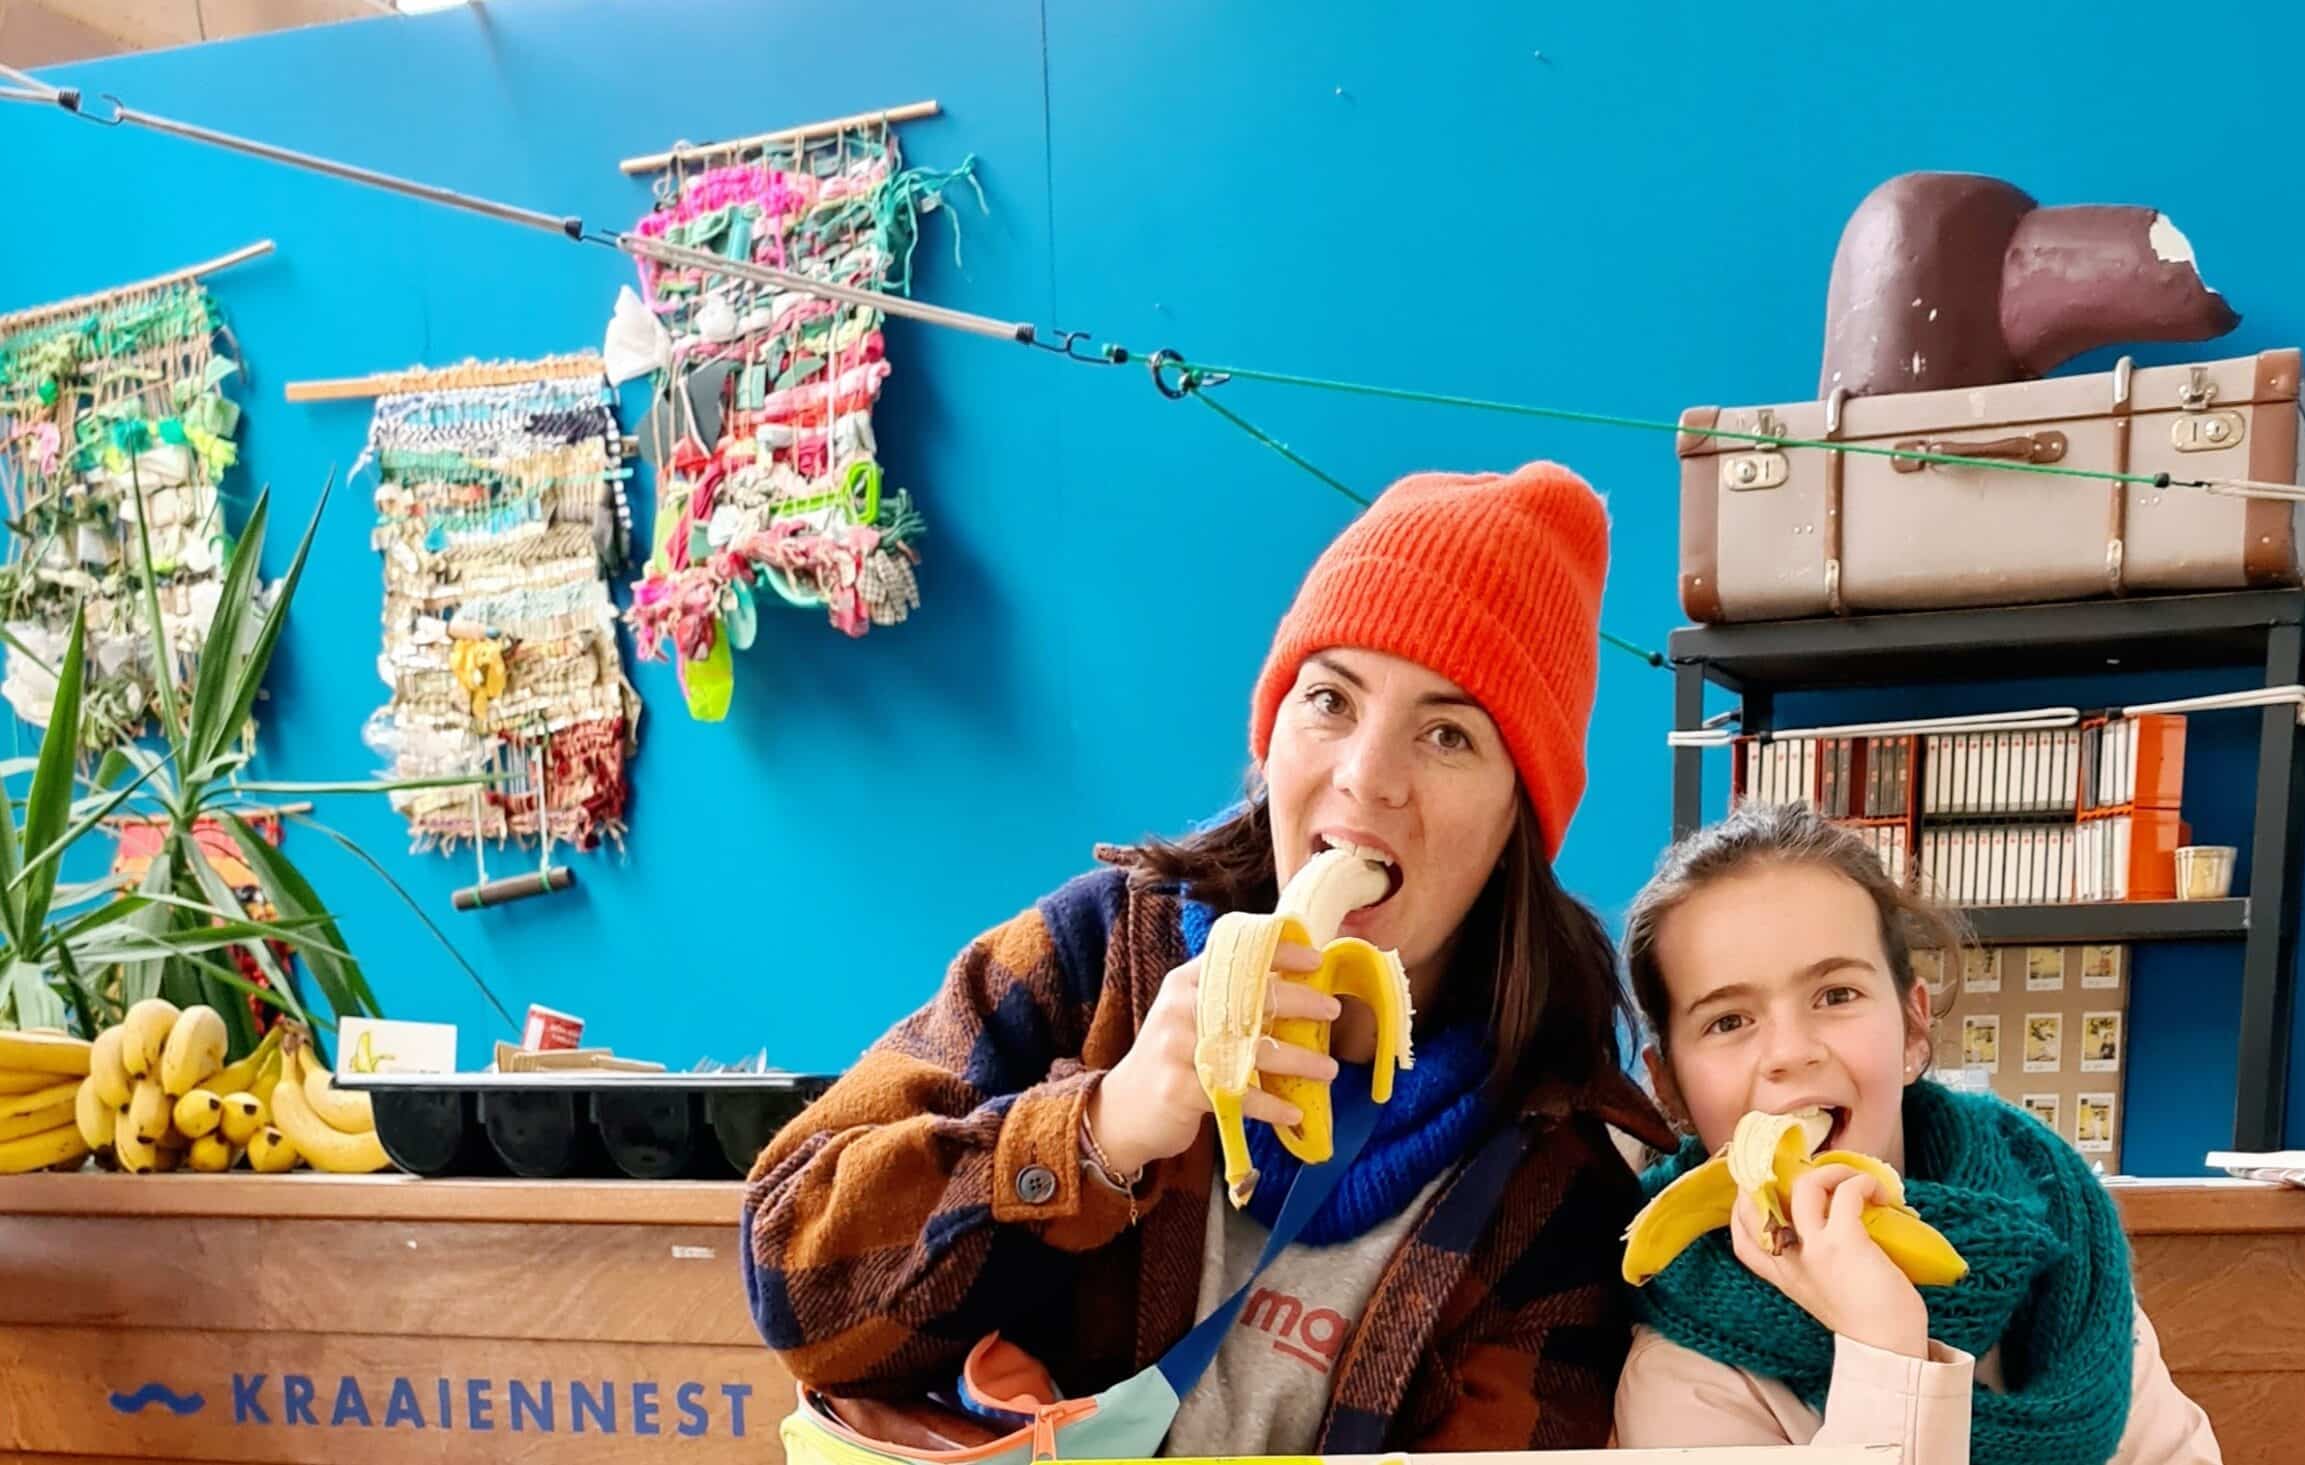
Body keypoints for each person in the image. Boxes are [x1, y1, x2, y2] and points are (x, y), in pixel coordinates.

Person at [743, 462, 1675, 1456]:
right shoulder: (1090, 958)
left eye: (1447, 734)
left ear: (1517, 819)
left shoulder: (1557, 1175)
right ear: (1271, 740)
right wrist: (1096, 1131)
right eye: (1330, 699)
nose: (1367, 777)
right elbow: (794, 1285)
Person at [1610, 801, 2222, 1464]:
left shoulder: (2061, 1237)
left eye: (1836, 995)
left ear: (1912, 1028)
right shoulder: (1679, 1374)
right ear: (1671, 1088)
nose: (1790, 1051)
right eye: (1728, 1021)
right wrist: (1885, 1346)